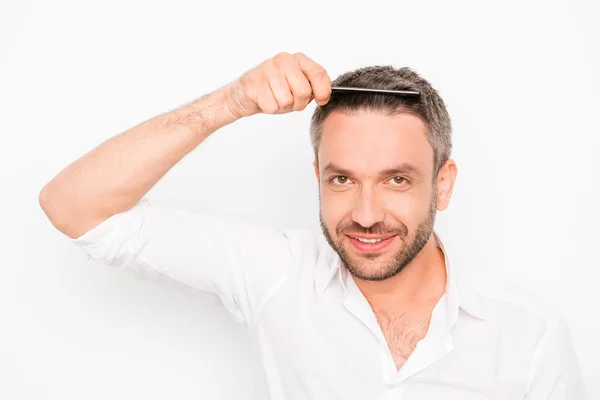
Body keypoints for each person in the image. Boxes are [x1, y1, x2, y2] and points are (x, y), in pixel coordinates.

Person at [39, 52, 586, 399]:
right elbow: (75, 208)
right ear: (317, 177)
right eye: (342, 180)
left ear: (442, 185)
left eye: (397, 179)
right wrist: (226, 104)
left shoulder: (530, 336)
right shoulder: (276, 274)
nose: (367, 214)